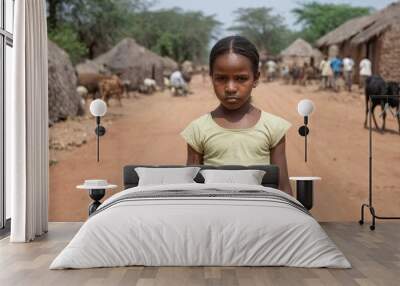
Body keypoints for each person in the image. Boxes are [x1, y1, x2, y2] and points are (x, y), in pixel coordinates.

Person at [180, 36, 293, 195]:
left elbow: (283, 188)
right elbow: (191, 188)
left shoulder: (273, 128)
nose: (231, 88)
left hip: (261, 215)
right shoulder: (198, 130)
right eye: (221, 78)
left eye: (241, 78)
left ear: (256, 79)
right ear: (211, 77)